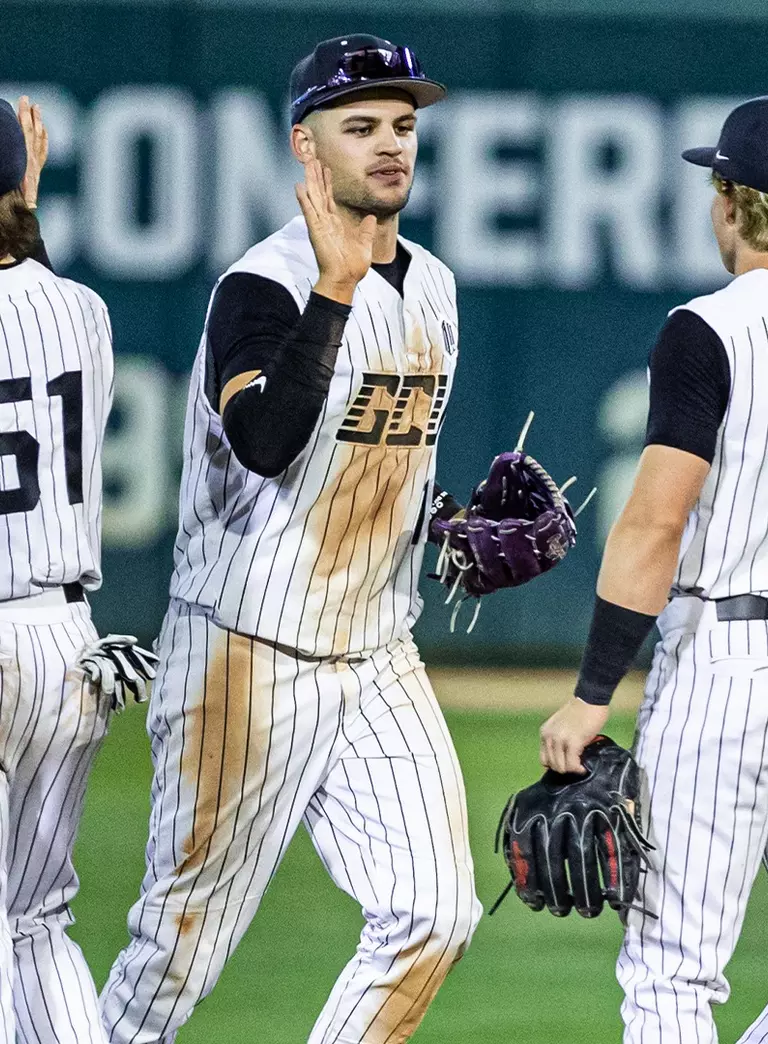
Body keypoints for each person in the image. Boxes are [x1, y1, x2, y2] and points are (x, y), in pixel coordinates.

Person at [100, 35, 483, 1044]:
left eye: (402, 125)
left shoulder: (436, 286)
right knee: (175, 960)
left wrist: (452, 526)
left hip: (378, 652)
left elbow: (375, 463)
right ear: (305, 148)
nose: (391, 145)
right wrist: (334, 291)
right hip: (245, 654)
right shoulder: (260, 287)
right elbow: (267, 444)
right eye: (361, 127)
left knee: (436, 914)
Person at [539, 96, 768, 1043]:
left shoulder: (708, 330)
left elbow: (654, 523)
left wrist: (592, 694)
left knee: (672, 975)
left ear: (731, 200)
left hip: (725, 670)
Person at [0, 96, 156, 1044]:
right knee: (34, 919)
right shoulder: (80, 311)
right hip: (64, 648)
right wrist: (24, 193)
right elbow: (28, 283)